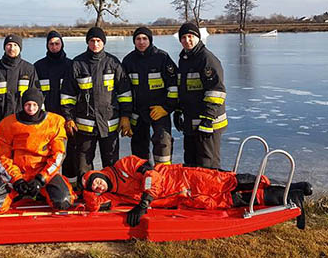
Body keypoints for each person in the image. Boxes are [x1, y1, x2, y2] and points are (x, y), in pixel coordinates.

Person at [82, 155, 312, 229]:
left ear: (99, 174)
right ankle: (291, 198)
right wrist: (79, 190)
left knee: (229, 181)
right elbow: (93, 204)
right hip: (184, 198)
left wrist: (144, 202)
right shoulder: (112, 195)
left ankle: (293, 187)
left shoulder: (124, 165)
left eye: (96, 182)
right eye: (94, 188)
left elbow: (153, 175)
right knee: (230, 200)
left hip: (184, 178)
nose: (97, 187)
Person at [0, 88, 76, 214]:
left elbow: (58, 155)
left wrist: (41, 179)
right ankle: (17, 193)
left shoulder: (55, 122)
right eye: (27, 104)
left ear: (40, 105)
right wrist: (16, 180)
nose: (31, 108)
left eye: (34, 105)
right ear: (22, 105)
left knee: (63, 202)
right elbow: (2, 157)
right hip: (17, 173)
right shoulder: (8, 124)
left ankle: (41, 193)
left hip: (43, 173)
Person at [60, 26, 133, 183]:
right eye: (92, 41)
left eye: (98, 41)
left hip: (109, 125)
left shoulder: (113, 64)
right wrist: (68, 117)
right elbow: (67, 96)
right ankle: (85, 191)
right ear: (87, 42)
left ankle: (112, 190)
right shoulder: (77, 64)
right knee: (83, 164)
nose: (95, 44)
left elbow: (125, 94)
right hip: (85, 126)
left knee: (111, 164)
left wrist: (125, 116)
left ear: (103, 42)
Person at [0, 34, 38, 173]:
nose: (12, 48)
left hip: (23, 126)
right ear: (4, 47)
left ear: (20, 48)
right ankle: (3, 193)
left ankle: (21, 192)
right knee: (1, 163)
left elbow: (36, 100)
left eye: (15, 45)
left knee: (23, 162)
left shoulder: (29, 69)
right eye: (9, 45)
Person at [122, 26, 178, 165]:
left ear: (150, 40)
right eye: (138, 39)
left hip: (159, 110)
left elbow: (174, 85)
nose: (141, 42)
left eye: (145, 39)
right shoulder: (128, 61)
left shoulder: (162, 57)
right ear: (134, 41)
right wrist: (125, 115)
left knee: (163, 142)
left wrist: (167, 108)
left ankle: (163, 176)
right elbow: (124, 90)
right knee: (139, 146)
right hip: (137, 112)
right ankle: (143, 177)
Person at [176, 23, 227, 169]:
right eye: (184, 37)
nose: (187, 40)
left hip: (209, 123)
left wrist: (207, 120)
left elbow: (216, 91)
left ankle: (212, 192)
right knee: (191, 163)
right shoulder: (185, 59)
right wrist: (179, 109)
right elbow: (184, 88)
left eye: (191, 36)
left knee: (208, 164)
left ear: (198, 38)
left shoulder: (207, 59)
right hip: (191, 121)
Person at [34, 30, 76, 183]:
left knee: (70, 155)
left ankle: (72, 185)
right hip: (46, 119)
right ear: (47, 45)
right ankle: (47, 185)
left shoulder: (71, 65)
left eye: (57, 43)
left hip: (67, 119)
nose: (54, 46)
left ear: (62, 44)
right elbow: (35, 95)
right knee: (46, 154)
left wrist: (71, 117)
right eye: (51, 44)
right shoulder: (38, 66)